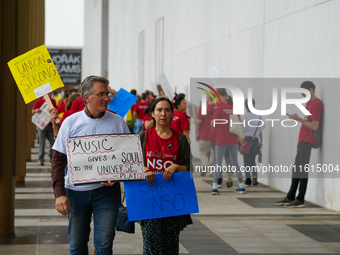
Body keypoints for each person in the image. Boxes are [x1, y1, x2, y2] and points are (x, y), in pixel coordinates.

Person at [51, 75, 130, 254]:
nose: (106, 98)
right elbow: (58, 160)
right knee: (77, 246)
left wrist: (117, 176)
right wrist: (59, 194)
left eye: (107, 94)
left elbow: (126, 157)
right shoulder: (70, 122)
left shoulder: (118, 122)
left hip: (107, 194)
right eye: (100, 94)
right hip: (75, 194)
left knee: (104, 245)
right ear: (86, 97)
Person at [139, 97, 192, 255]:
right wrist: (144, 169)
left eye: (167, 110)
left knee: (170, 246)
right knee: (152, 246)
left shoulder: (180, 139)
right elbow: (131, 165)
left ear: (172, 115)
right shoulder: (143, 137)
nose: (163, 113)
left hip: (172, 201)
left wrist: (176, 167)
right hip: (149, 200)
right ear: (153, 114)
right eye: (159, 110)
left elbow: (189, 168)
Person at [275, 81, 323, 208]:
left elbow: (314, 125)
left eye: (304, 92)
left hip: (308, 139)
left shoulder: (317, 103)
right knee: (296, 168)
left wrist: (299, 119)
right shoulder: (308, 103)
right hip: (302, 138)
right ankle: (291, 196)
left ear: (310, 90)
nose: (302, 94)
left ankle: (300, 198)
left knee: (303, 169)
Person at [211, 88, 245, 195]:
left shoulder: (219, 108)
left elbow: (213, 123)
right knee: (235, 162)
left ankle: (215, 187)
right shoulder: (234, 108)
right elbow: (239, 122)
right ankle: (241, 185)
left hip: (221, 139)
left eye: (218, 96)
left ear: (224, 96)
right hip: (233, 139)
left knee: (218, 163)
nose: (217, 99)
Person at [241, 99, 265, 186]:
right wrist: (261, 142)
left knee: (246, 161)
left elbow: (241, 130)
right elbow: (260, 132)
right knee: (253, 160)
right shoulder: (259, 117)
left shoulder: (243, 117)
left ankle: (248, 180)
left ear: (246, 106)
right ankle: (254, 176)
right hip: (255, 140)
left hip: (246, 141)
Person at [32, 92, 57, 165]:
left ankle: (51, 154)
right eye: (49, 93)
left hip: (50, 125)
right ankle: (40, 159)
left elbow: (55, 110)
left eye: (51, 93)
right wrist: (36, 110)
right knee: (42, 143)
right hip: (41, 126)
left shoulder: (53, 101)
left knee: (53, 141)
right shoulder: (38, 102)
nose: (50, 94)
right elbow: (32, 111)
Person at [195, 94, 215, 176]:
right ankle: (212, 170)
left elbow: (199, 121)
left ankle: (205, 165)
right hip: (214, 134)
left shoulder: (202, 107)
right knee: (213, 153)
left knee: (203, 152)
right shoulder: (216, 107)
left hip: (204, 134)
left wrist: (195, 122)